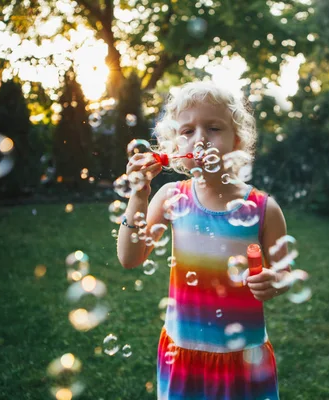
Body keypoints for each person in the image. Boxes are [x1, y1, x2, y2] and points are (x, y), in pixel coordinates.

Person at [117, 81, 291, 400]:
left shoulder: (264, 208)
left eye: (213, 128)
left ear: (237, 140)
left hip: (245, 358)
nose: (199, 139)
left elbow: (284, 272)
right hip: (184, 355)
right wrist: (139, 197)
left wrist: (277, 281)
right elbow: (130, 257)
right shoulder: (171, 197)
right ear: (173, 146)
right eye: (187, 131)